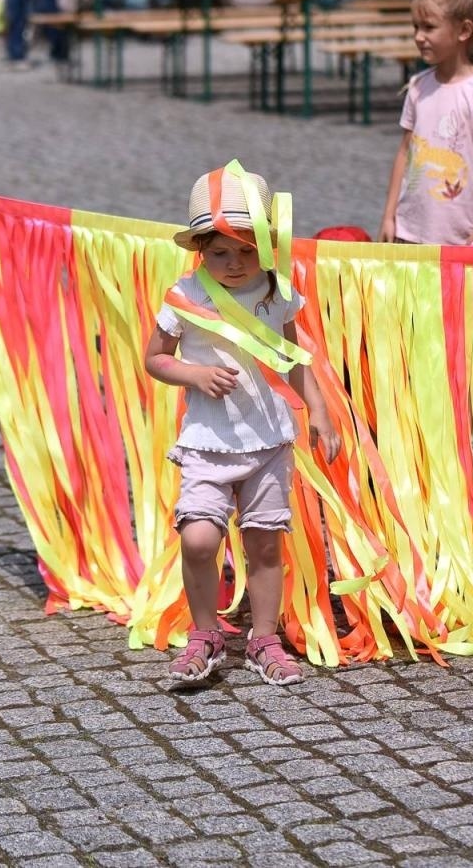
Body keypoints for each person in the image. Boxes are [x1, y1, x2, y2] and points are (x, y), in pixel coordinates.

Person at [144, 167, 338, 687]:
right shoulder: (184, 295)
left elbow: (296, 357)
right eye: (220, 252)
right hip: (208, 443)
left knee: (265, 544)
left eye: (246, 250)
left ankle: (264, 638)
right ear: (200, 250)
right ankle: (206, 634)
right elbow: (155, 359)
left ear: (267, 245)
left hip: (269, 439)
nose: (233, 264)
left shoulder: (278, 293)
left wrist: (318, 411)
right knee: (200, 539)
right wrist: (194, 373)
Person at [380, 0, 473, 249]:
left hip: (457, 237)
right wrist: (390, 215)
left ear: (463, 30)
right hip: (409, 231)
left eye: (429, 27)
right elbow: (405, 152)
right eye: (415, 27)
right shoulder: (418, 86)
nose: (418, 36)